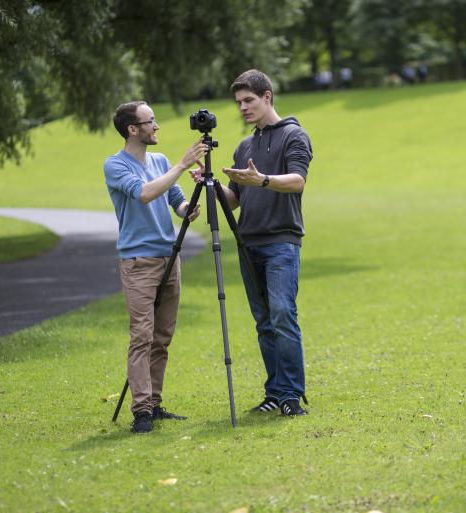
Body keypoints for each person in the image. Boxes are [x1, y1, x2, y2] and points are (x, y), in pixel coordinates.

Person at [200, 69, 313, 416]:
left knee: (282, 314)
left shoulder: (294, 135)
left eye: (248, 100)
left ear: (267, 97)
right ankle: (275, 392)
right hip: (248, 242)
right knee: (263, 321)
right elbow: (235, 199)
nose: (243, 108)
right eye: (238, 103)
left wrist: (261, 179)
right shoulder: (245, 145)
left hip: (281, 240)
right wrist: (212, 185)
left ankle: (292, 395)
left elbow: (297, 181)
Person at [104, 101, 207, 434]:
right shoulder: (115, 166)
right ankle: (142, 412)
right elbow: (145, 194)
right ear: (133, 129)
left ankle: (155, 402)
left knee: (162, 337)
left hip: (169, 257)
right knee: (142, 337)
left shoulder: (160, 161)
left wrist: (187, 208)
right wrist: (181, 164)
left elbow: (173, 199)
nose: (157, 126)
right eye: (151, 121)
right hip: (139, 262)